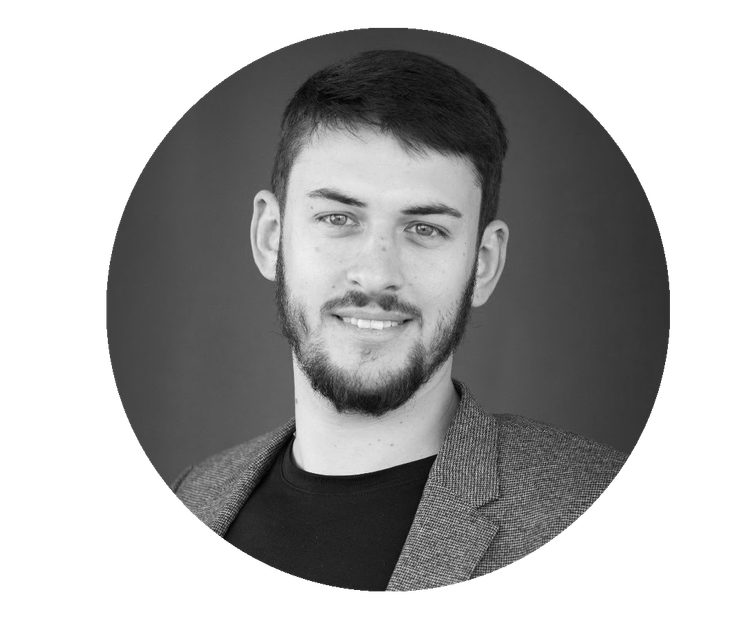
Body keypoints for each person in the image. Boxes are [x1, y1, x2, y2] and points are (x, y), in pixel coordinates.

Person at [172, 49, 628, 592]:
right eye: (337, 217)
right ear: (271, 236)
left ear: (483, 264)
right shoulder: (195, 496)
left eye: (425, 229)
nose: (375, 274)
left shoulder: (586, 497)